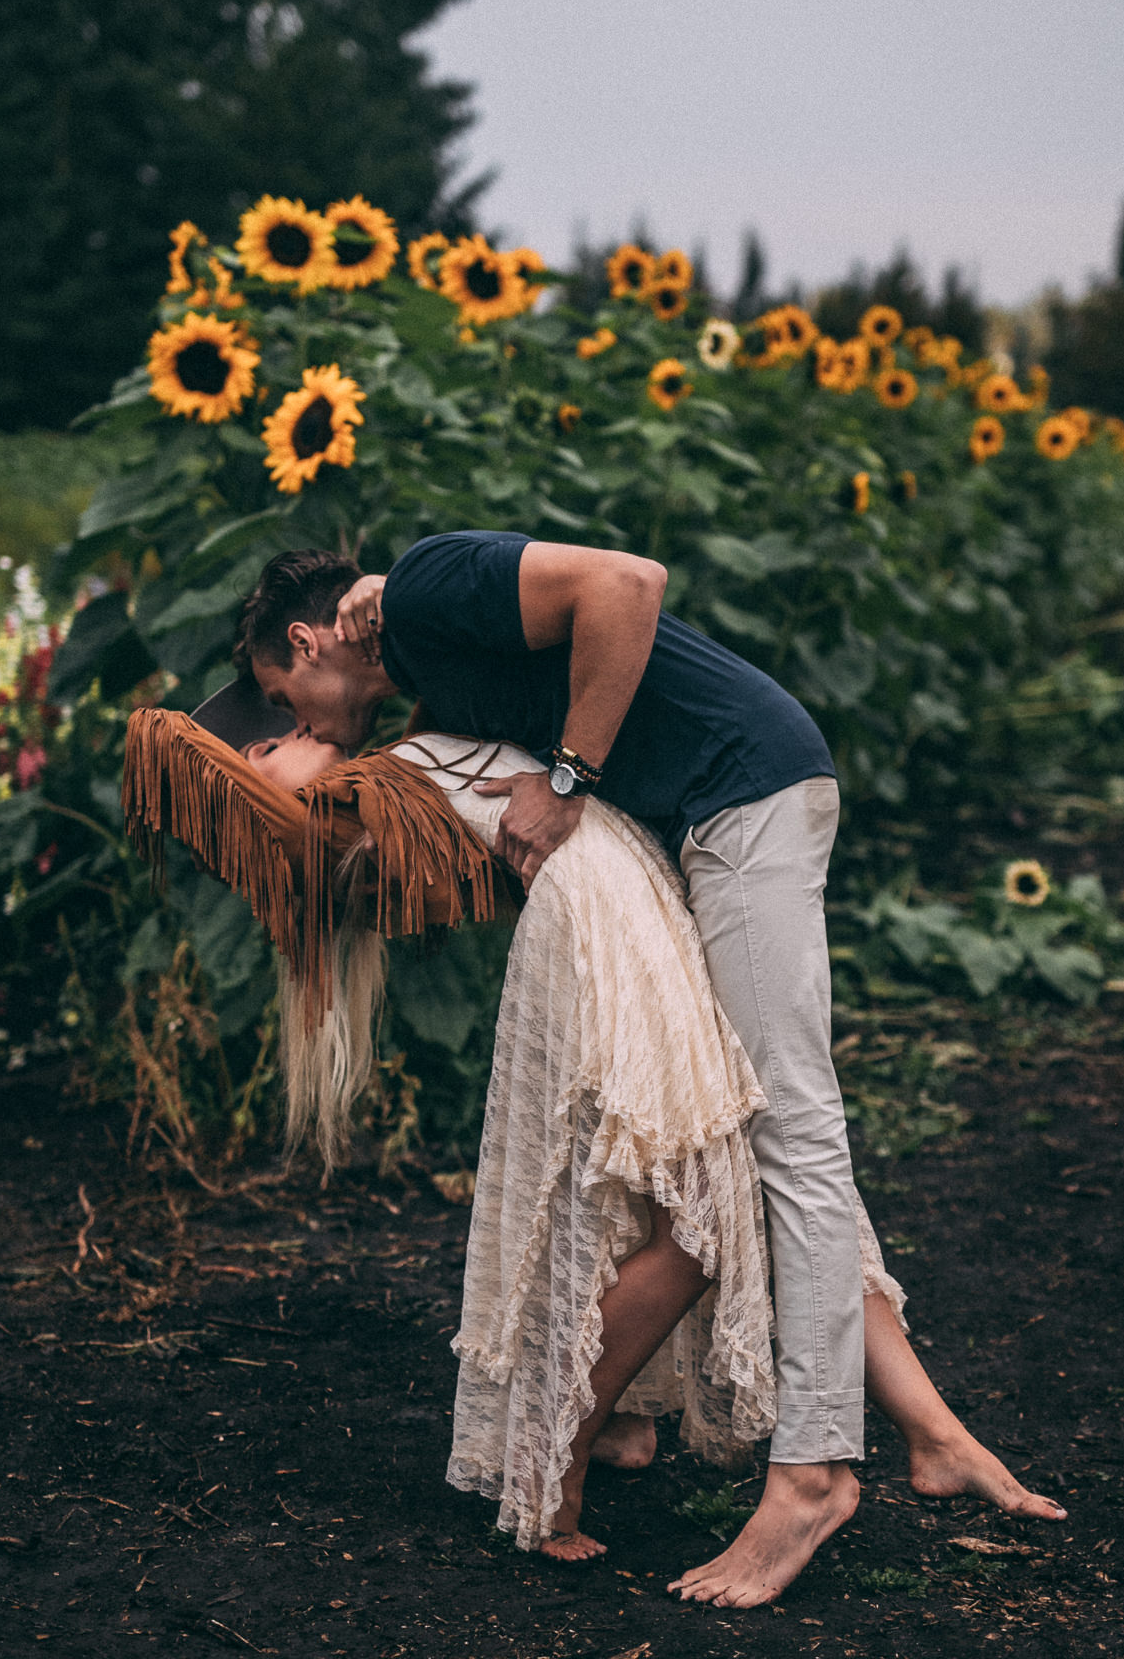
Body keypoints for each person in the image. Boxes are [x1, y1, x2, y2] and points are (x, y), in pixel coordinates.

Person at [222, 538, 1065, 1603]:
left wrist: (566, 778)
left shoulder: (424, 590)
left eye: (276, 697)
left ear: (303, 641)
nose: (290, 722)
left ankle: (811, 1474)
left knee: (790, 1137)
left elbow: (630, 582)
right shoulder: (423, 660)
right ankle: (932, 1434)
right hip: (710, 817)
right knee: (767, 1140)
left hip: (740, 792)